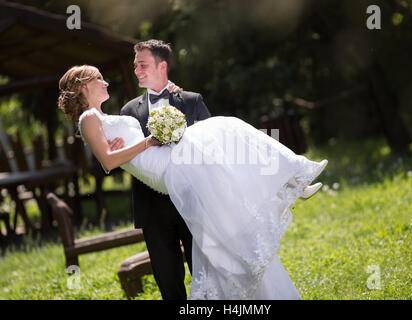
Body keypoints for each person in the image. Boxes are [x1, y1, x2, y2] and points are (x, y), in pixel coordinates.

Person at [57, 64, 327, 300]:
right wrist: (148, 141)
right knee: (225, 129)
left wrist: (135, 143)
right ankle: (288, 183)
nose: (105, 83)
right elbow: (108, 162)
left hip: (165, 160)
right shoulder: (88, 117)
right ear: (83, 87)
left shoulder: (100, 118)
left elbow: (116, 151)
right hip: (165, 169)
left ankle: (288, 184)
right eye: (99, 79)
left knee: (226, 148)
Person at [117, 40, 210, 300]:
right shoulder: (129, 112)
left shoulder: (192, 101)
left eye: (142, 65)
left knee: (205, 278)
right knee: (168, 282)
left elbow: (212, 149)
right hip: (153, 208)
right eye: (135, 65)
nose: (136, 70)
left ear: (162, 66)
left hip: (193, 203)